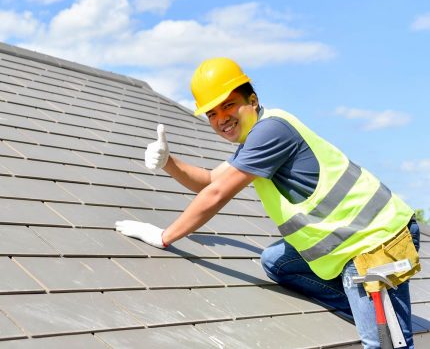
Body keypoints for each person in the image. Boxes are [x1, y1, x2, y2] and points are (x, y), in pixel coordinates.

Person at [115, 57, 421, 348]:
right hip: (347, 242)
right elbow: (210, 181)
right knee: (276, 263)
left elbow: (217, 194)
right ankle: (367, 309)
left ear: (253, 100)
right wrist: (169, 161)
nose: (222, 119)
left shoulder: (271, 131)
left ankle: (382, 325)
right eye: (212, 114)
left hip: (374, 243)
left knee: (383, 344)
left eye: (229, 105)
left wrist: (165, 236)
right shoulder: (255, 140)